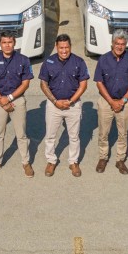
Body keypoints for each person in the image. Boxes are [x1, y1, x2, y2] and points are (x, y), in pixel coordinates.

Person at [0, 30, 34, 177]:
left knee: (21, 134)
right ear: (0, 43)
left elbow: (25, 84)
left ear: (14, 43)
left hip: (17, 100)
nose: (7, 45)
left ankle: (26, 162)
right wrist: (1, 99)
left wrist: (9, 98)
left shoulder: (23, 60)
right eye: (4, 42)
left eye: (10, 42)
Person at [39, 34, 89, 177]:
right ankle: (51, 160)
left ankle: (73, 162)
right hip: (54, 105)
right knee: (50, 135)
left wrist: (71, 101)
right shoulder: (48, 62)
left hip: (72, 105)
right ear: (56, 47)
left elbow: (83, 85)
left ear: (70, 47)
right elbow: (43, 84)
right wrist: (55, 101)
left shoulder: (79, 62)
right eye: (61, 47)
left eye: (66, 47)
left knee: (74, 136)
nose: (64, 50)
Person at [93, 30, 128, 174]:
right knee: (103, 133)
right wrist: (111, 102)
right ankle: (103, 158)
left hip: (124, 103)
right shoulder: (103, 59)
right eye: (117, 43)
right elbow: (99, 82)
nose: (120, 46)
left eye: (123, 44)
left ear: (126, 45)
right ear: (112, 44)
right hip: (106, 102)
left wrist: (123, 100)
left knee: (123, 133)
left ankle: (120, 160)